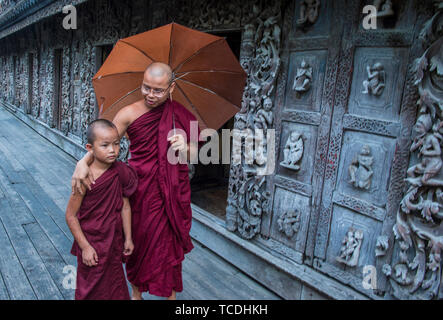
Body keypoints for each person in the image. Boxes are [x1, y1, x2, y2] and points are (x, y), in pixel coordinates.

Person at [71, 62, 201, 300]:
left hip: (169, 194)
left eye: (158, 90)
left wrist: (187, 147)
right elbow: (105, 142)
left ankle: (170, 296)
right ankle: (136, 294)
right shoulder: (128, 113)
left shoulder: (180, 114)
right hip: (139, 190)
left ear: (171, 87)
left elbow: (198, 152)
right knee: (137, 245)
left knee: (166, 247)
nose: (150, 95)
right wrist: (83, 162)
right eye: (146, 87)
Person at [65, 119, 138, 300]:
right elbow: (71, 216)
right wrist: (85, 247)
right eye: (105, 145)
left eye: (116, 144)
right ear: (90, 148)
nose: (113, 150)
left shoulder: (121, 171)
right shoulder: (84, 176)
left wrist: (128, 238)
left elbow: (125, 206)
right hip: (92, 242)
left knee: (115, 286)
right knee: (89, 289)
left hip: (113, 241)